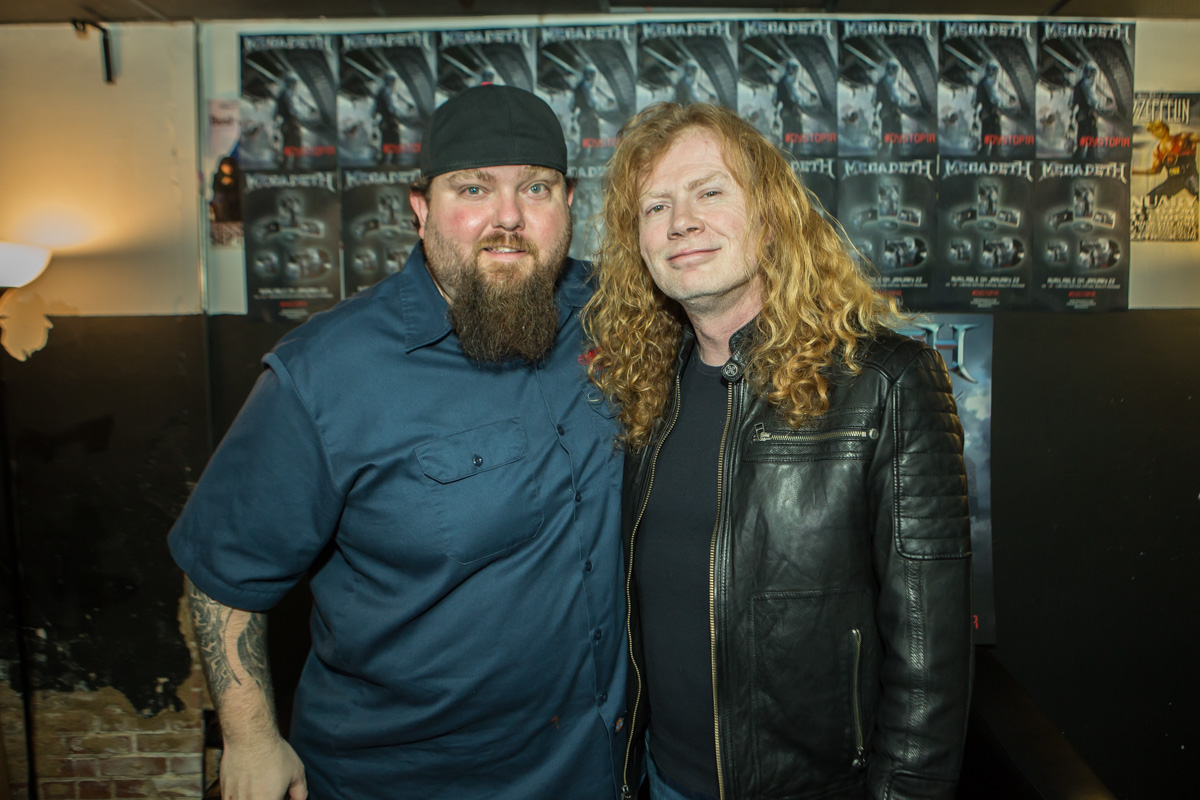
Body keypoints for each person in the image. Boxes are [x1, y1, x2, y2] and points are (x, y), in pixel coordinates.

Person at [170, 85, 628, 800]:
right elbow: (222, 572)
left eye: (535, 188)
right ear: (421, 209)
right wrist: (252, 739)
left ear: (569, 202)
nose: (509, 216)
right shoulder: (325, 373)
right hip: (404, 779)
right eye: (472, 188)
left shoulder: (619, 317)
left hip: (597, 770)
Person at [583, 102, 973, 800]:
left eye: (709, 192)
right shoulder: (643, 393)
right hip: (661, 784)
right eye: (655, 206)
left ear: (770, 216)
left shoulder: (886, 383)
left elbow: (932, 658)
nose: (681, 222)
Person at [1132, 119, 1199, 202]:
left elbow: (1196, 137)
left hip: (1190, 177)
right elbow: (1155, 170)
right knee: (1149, 199)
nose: (1155, 132)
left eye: (1157, 128)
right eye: (1152, 131)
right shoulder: (1157, 151)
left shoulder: (1182, 138)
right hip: (1173, 181)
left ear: (1165, 128)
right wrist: (1135, 171)